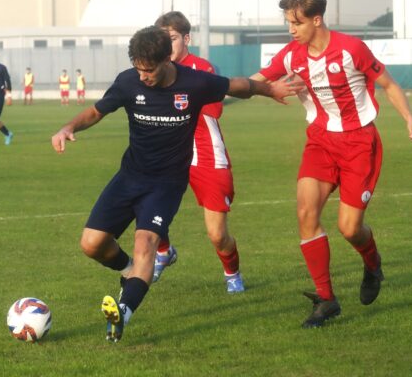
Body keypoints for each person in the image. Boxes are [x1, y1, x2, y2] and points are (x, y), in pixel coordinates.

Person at [51, 26, 303, 342]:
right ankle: (129, 271)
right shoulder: (128, 81)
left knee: (147, 245)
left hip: (166, 184)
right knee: (91, 245)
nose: (143, 76)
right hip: (129, 177)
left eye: (149, 70)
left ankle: (123, 313)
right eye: (139, 69)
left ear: (166, 59)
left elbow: (239, 85)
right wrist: (67, 127)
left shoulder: (195, 83)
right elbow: (96, 111)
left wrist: (272, 89)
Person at [251, 0, 412, 328]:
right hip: (319, 142)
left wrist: (409, 118)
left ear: (317, 19)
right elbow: (256, 80)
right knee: (305, 211)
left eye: (296, 23)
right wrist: (215, 88)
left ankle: (372, 263)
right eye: (288, 22)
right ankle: (327, 300)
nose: (291, 30)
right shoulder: (291, 54)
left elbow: (387, 84)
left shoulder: (351, 49)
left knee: (349, 228)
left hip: (359, 143)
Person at [153, 11, 243, 293]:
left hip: (206, 155)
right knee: (147, 208)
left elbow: (214, 109)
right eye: (163, 41)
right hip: (168, 156)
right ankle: (164, 252)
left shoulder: (201, 69)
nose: (168, 47)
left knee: (217, 234)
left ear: (187, 38)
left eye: (173, 39)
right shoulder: (154, 70)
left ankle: (232, 273)